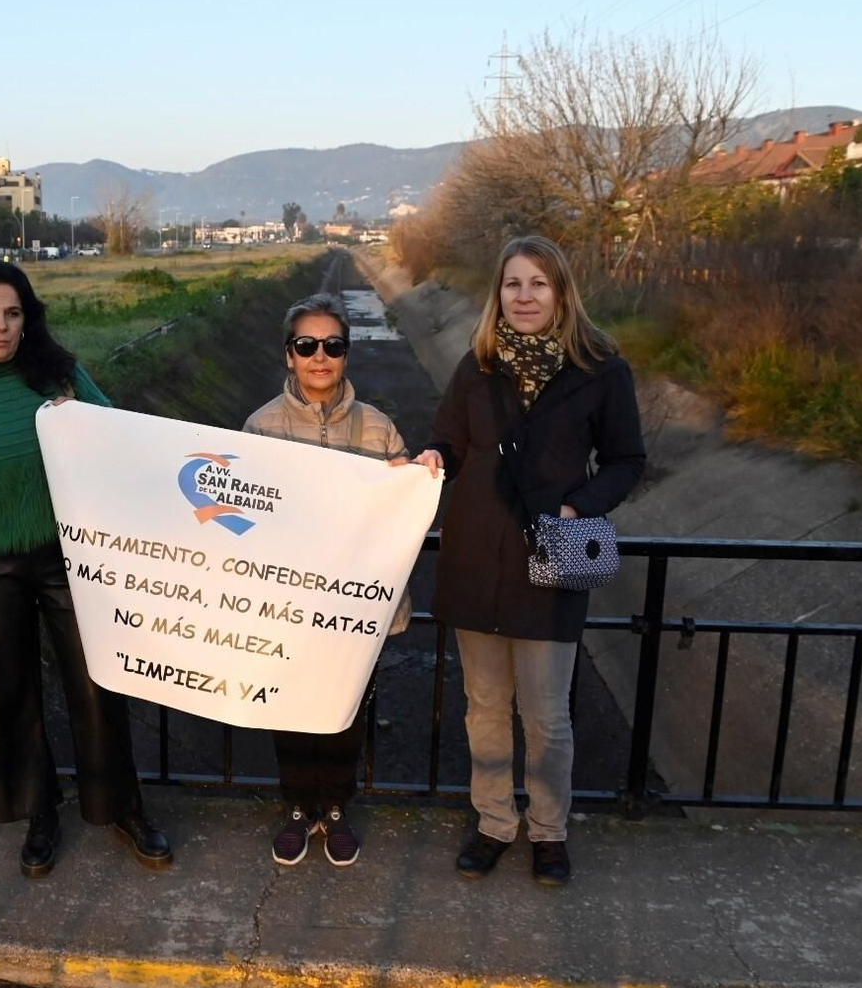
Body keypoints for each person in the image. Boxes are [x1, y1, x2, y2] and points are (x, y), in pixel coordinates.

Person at [0, 259, 171, 878]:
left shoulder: (61, 377)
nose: (0, 326)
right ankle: (40, 812)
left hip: (70, 560)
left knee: (98, 685)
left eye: (12, 313)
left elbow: (119, 441)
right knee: (10, 695)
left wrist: (76, 416)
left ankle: (122, 807)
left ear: (27, 320)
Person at [412, 236, 645, 886]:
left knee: (546, 713)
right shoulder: (476, 365)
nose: (524, 295)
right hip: (475, 552)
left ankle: (549, 831)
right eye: (513, 283)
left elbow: (628, 459)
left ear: (561, 292)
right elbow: (449, 441)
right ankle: (493, 822)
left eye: (537, 283)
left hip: (551, 554)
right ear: (498, 294)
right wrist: (434, 458)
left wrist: (579, 506)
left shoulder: (600, 369)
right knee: (484, 704)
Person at [244, 292, 412, 868]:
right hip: (286, 604)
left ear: (346, 354)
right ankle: (297, 806)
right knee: (288, 706)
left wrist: (416, 481)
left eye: (333, 346)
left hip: (354, 606)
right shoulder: (259, 428)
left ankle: (335, 807)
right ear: (289, 355)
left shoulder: (379, 429)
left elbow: (406, 515)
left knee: (346, 709)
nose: (321, 356)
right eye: (307, 345)